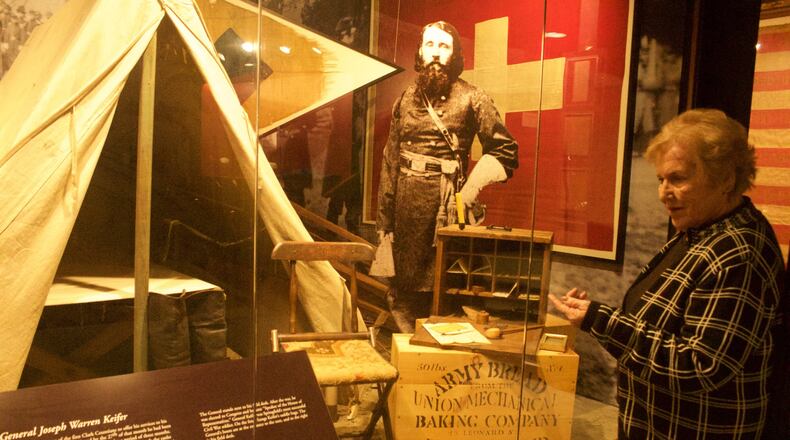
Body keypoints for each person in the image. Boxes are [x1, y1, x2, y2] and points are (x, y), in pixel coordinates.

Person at [549, 109, 785, 439]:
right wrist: (597, 318)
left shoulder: (738, 253)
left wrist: (602, 320)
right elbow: (660, 325)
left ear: (726, 178)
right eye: (661, 180)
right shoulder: (700, 231)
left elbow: (700, 365)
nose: (663, 193)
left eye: (677, 179)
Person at [374, 21, 519, 332]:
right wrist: (385, 224)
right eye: (430, 45)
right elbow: (390, 162)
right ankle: (412, 358)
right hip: (405, 213)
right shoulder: (405, 98)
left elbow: (506, 150)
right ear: (420, 52)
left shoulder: (473, 97)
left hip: (448, 210)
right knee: (403, 296)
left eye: (444, 46)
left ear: (455, 54)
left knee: (447, 293)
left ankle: (437, 362)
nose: (436, 53)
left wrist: (471, 190)